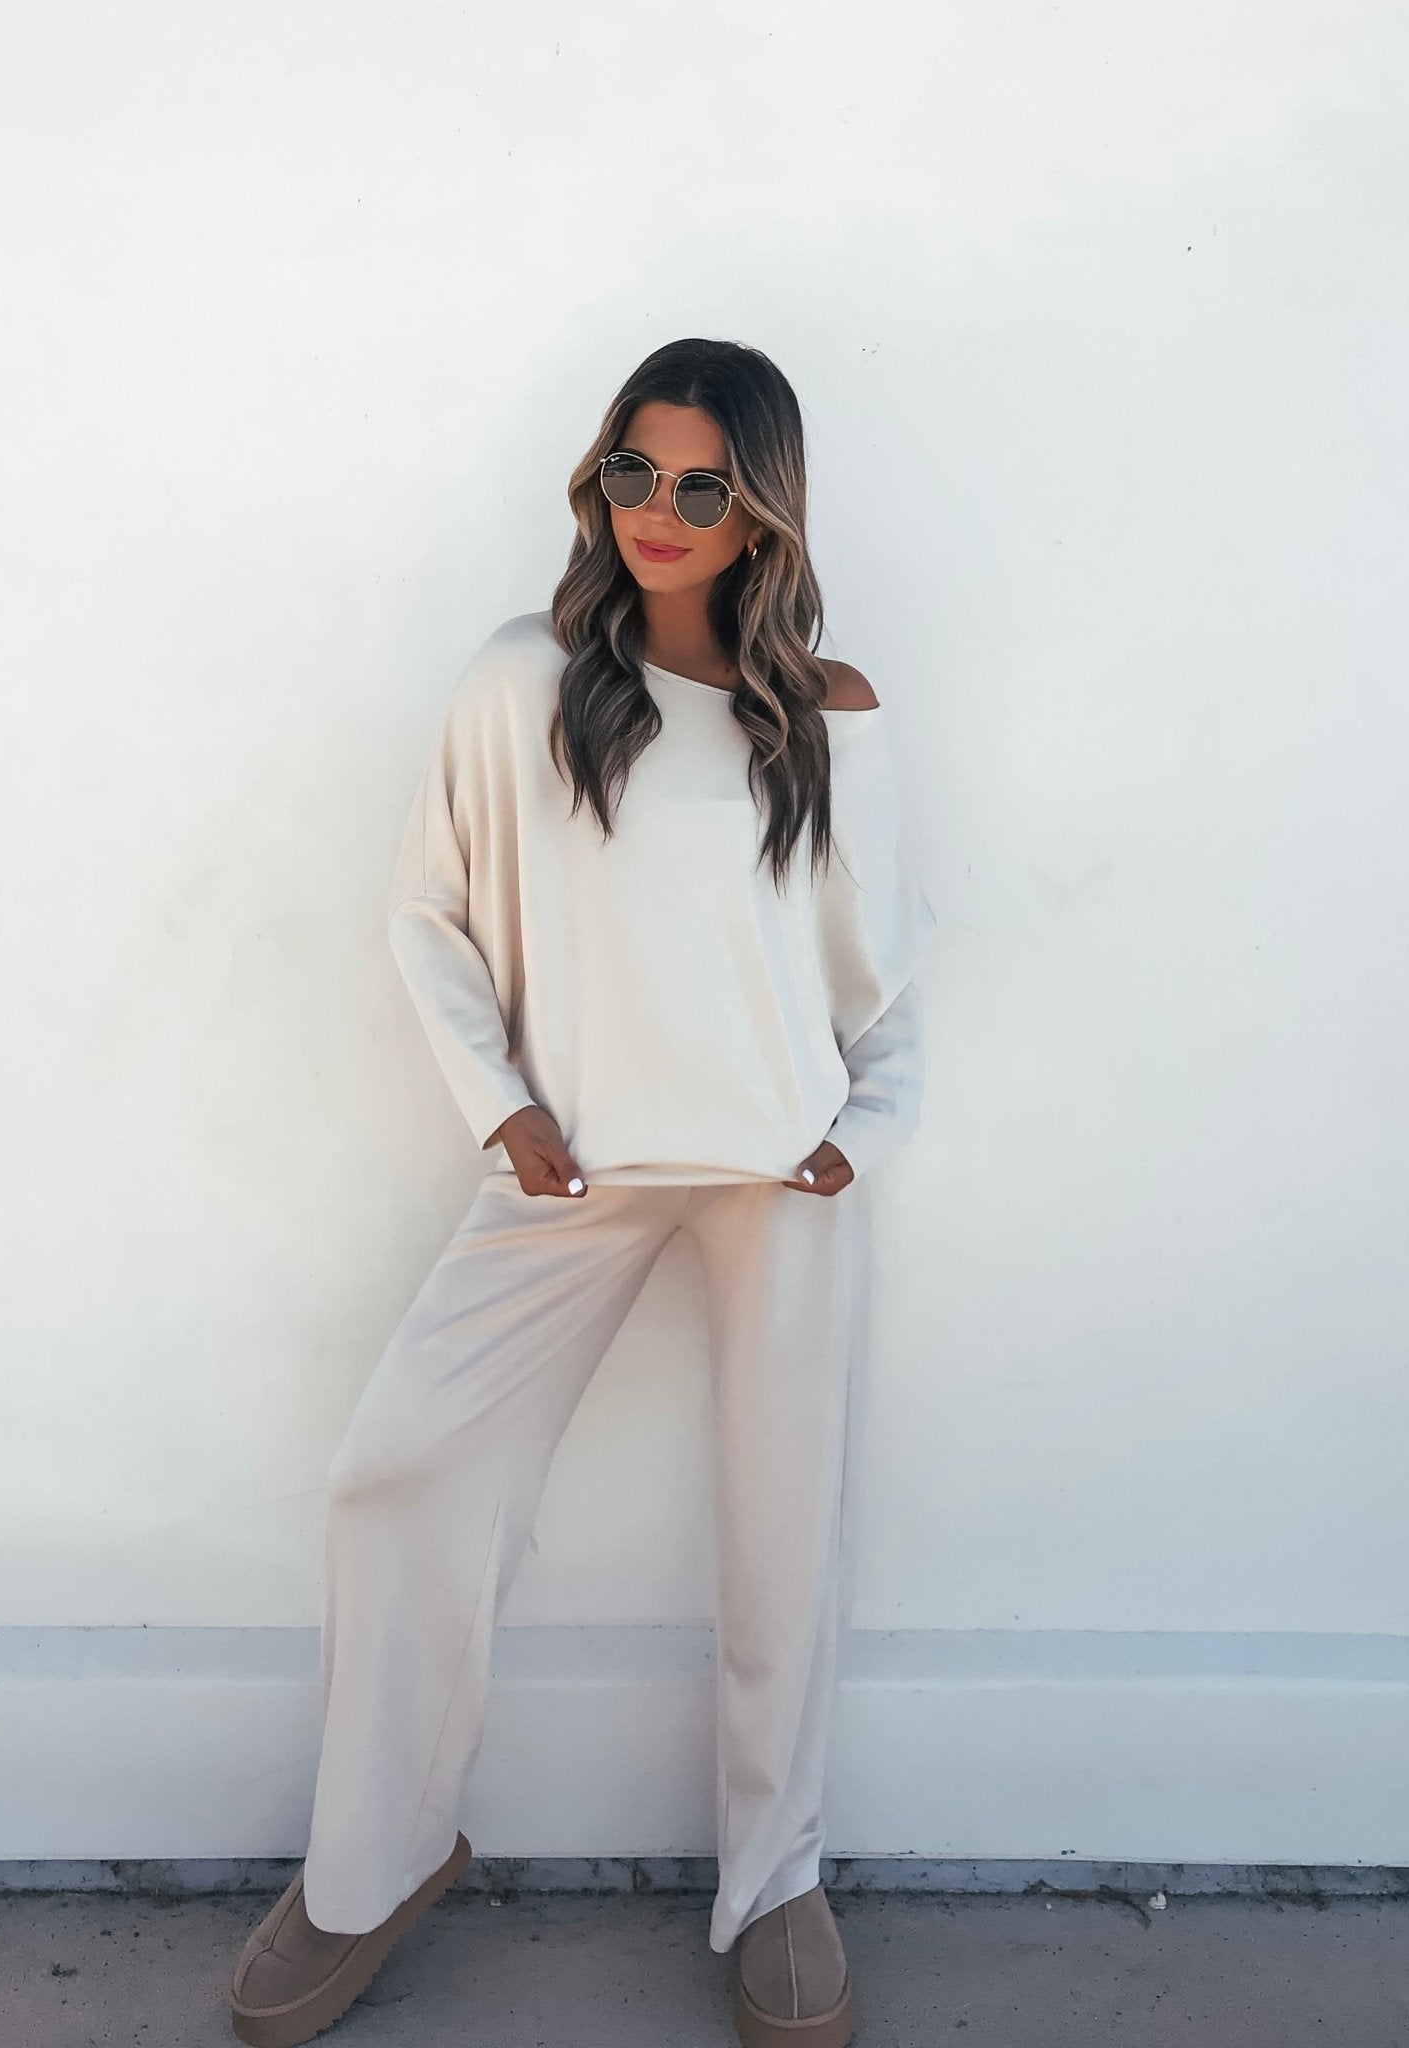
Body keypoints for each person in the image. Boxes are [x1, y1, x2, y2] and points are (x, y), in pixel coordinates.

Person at [228, 337, 937, 2048]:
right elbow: (428, 911)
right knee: (399, 1471)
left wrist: (866, 1131)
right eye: (635, 471)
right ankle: (372, 1858)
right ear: (597, 476)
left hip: (778, 1170)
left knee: (786, 1528)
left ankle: (778, 1883)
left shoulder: (825, 713)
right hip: (577, 1162)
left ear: (761, 510)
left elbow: (882, 973)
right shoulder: (519, 680)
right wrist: (502, 1107)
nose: (660, 511)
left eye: (703, 485)